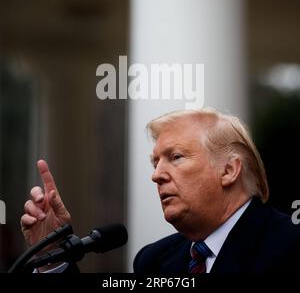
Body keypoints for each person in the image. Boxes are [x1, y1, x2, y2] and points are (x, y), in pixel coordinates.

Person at [21, 108, 300, 273]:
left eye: (176, 157)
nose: (156, 175)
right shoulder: (154, 260)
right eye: (156, 162)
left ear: (229, 170)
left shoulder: (289, 245)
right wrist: (52, 260)